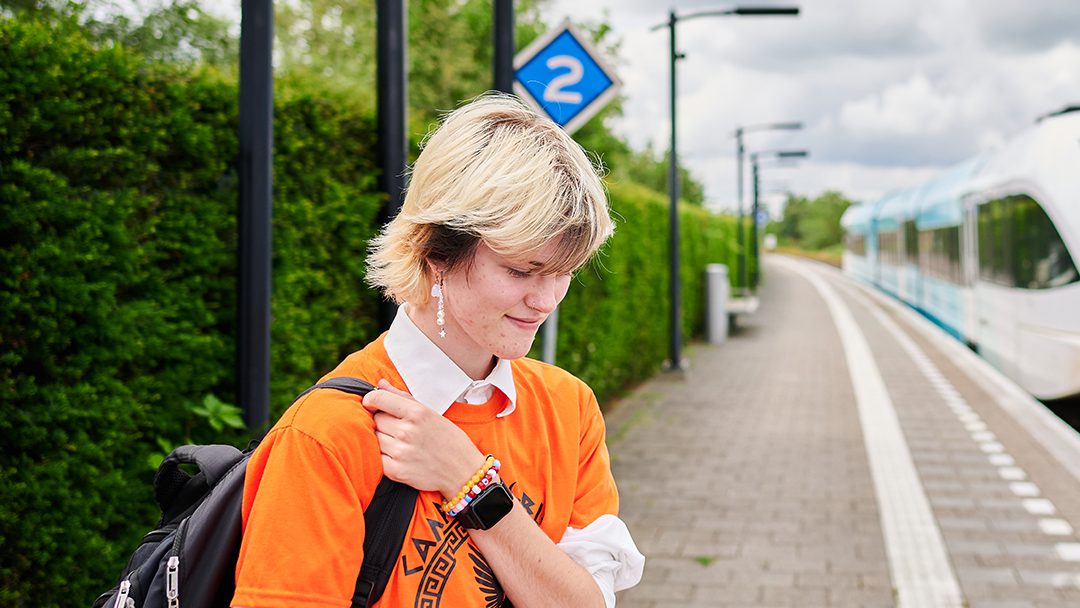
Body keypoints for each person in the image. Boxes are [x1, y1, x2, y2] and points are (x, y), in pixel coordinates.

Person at [232, 94, 644, 608]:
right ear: (436, 252)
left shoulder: (568, 407)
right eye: (522, 270)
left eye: (565, 272)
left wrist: (471, 484)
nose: (546, 300)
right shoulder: (328, 434)